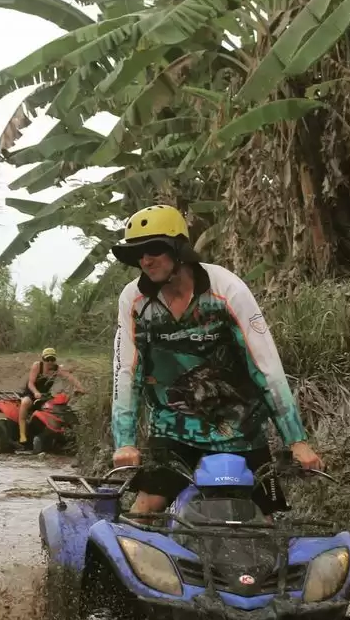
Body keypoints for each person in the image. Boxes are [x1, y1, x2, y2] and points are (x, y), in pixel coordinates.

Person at [109, 205, 322, 515]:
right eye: (137, 253)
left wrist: (297, 440)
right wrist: (124, 442)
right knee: (145, 508)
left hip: (239, 426)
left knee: (269, 519)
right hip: (173, 425)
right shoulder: (134, 300)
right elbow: (127, 372)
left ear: (179, 249)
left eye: (154, 249)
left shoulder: (227, 290)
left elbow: (265, 367)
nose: (145, 260)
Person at [17, 347, 84, 446]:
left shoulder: (57, 369)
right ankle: (22, 434)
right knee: (25, 403)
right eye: (47, 359)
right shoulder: (37, 366)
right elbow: (30, 383)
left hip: (45, 395)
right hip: (31, 393)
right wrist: (35, 392)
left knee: (56, 408)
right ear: (43, 359)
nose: (49, 362)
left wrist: (80, 387)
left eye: (52, 359)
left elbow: (70, 377)